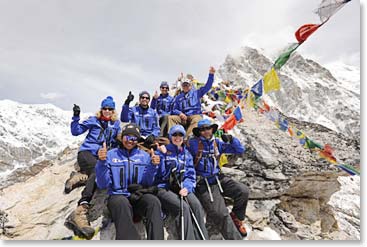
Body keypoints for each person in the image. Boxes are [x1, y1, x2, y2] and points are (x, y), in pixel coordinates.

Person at [95, 123, 164, 240]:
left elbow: (147, 182)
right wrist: (101, 162)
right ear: (122, 138)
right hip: (117, 198)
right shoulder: (111, 155)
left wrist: (153, 166)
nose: (130, 141)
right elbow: (103, 184)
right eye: (127, 137)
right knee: (121, 202)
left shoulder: (144, 156)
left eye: (134, 138)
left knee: (153, 202)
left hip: (137, 197)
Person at [65, 96, 121, 239]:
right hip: (86, 153)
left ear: (113, 111)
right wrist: (76, 116)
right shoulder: (93, 120)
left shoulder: (115, 125)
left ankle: (80, 176)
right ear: (101, 109)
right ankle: (81, 210)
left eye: (110, 109)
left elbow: (115, 141)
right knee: (97, 171)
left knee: (102, 172)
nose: (107, 111)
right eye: (105, 108)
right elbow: (75, 131)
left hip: (100, 157)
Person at [187, 119, 249, 240]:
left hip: (218, 178)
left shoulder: (216, 143)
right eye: (202, 129)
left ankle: (237, 218)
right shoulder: (193, 144)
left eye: (208, 128)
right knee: (221, 214)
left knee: (243, 191)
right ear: (199, 132)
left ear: (212, 129)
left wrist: (231, 139)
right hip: (204, 183)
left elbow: (239, 150)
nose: (206, 131)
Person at [154, 125, 209, 240]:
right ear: (170, 136)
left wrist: (187, 188)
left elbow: (190, 175)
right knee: (183, 207)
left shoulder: (186, 154)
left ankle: (203, 239)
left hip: (181, 187)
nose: (177, 137)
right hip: (164, 188)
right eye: (175, 135)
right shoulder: (162, 151)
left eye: (180, 135)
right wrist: (163, 155)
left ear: (184, 137)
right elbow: (160, 175)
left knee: (196, 206)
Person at [168, 67, 215, 137]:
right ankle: (172, 136)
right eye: (184, 85)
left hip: (195, 115)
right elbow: (174, 109)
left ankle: (187, 138)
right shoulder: (178, 97)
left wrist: (211, 75)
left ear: (191, 85)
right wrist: (180, 113)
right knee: (171, 118)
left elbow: (207, 86)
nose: (185, 87)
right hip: (184, 117)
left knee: (196, 120)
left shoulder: (197, 93)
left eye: (187, 85)